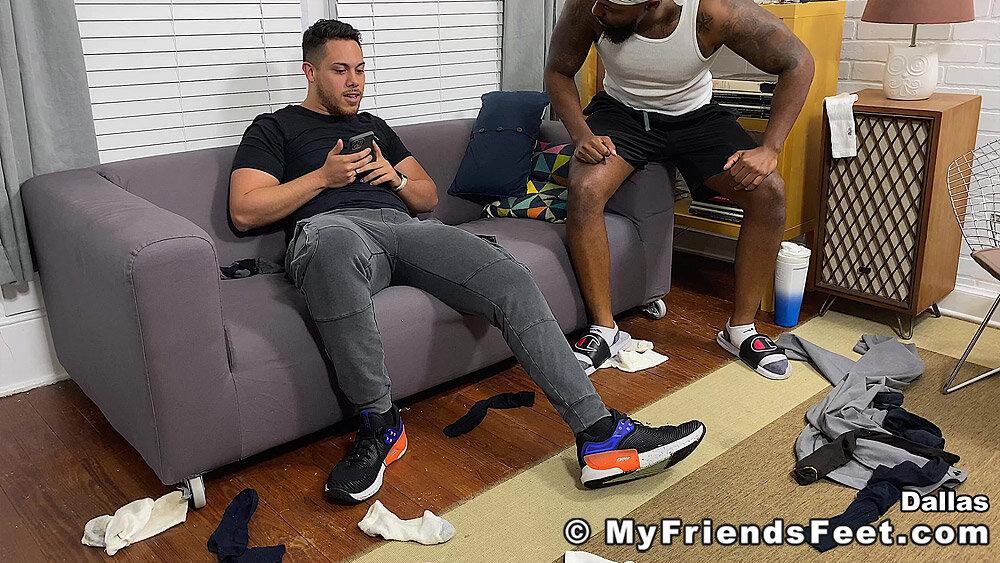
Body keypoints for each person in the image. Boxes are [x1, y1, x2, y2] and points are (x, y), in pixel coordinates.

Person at [229, 19, 706, 504]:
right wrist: (323, 178)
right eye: (340, 71)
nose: (355, 82)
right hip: (333, 230)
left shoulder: (374, 128)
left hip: (406, 229)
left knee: (508, 275)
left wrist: (394, 178)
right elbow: (245, 210)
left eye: (360, 69)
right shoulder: (275, 127)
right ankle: (380, 424)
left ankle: (600, 434)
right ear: (310, 72)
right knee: (330, 252)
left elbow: (427, 197)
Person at [545, 0, 815, 380]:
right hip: (622, 114)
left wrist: (770, 147)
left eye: (610, 8)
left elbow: (798, 62)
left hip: (696, 119)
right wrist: (581, 135)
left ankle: (741, 329)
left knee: (769, 194)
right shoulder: (590, 6)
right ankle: (605, 329)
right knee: (585, 189)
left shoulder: (715, 12)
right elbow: (558, 71)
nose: (599, 12)